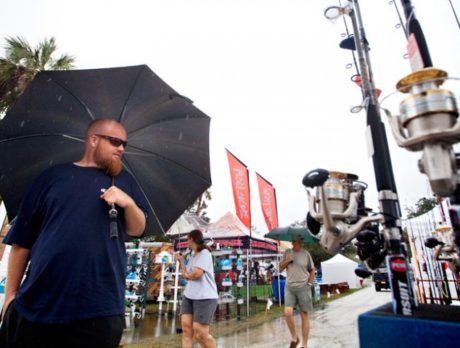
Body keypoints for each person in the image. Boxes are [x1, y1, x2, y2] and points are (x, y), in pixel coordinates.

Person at [0, 118, 148, 348]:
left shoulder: (124, 182)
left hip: (99, 310)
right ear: (93, 140)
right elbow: (22, 241)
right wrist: (11, 296)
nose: (121, 148)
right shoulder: (51, 178)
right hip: (35, 307)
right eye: (115, 141)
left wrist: (127, 202)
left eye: (124, 144)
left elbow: (137, 228)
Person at [176, 229, 218, 348]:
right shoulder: (191, 255)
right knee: (186, 330)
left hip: (205, 297)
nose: (186, 242)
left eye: (187, 239)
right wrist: (181, 261)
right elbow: (186, 274)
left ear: (192, 239)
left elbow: (196, 274)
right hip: (189, 295)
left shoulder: (205, 253)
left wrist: (188, 276)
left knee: (200, 333)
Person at [279, 235, 316, 348]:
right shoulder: (287, 253)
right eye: (299, 240)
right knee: (287, 312)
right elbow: (280, 268)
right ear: (294, 241)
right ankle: (295, 337)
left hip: (303, 287)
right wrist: (288, 260)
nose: (301, 242)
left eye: (301, 240)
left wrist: (309, 284)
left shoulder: (306, 254)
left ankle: (304, 345)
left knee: (304, 314)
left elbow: (312, 269)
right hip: (290, 287)